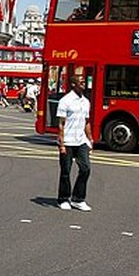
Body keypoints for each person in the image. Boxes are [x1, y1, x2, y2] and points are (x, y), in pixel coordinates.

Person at [56, 73, 93, 212]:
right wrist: (62, 144)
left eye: (84, 81)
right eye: (81, 81)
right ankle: (63, 198)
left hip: (81, 140)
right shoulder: (65, 101)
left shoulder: (86, 101)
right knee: (66, 171)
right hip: (68, 140)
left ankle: (78, 199)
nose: (84, 83)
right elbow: (61, 124)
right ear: (73, 84)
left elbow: (87, 122)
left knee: (85, 169)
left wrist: (90, 139)